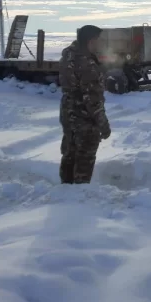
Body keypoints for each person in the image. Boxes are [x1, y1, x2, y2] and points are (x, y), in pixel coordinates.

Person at [58, 24, 111, 184]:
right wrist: (103, 124)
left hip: (68, 113)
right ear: (91, 40)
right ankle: (79, 199)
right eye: (99, 40)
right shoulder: (87, 64)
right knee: (84, 160)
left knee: (69, 154)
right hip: (84, 119)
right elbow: (92, 99)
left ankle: (64, 191)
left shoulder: (69, 56)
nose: (101, 44)